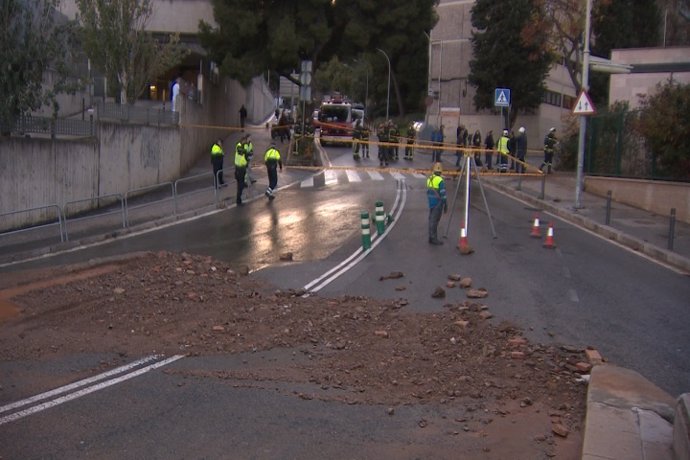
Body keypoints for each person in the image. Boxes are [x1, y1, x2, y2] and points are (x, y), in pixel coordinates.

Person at [427, 162, 447, 245]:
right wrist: (445, 204)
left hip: (431, 203)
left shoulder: (430, 179)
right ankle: (433, 238)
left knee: (431, 219)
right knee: (435, 221)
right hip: (438, 203)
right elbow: (443, 193)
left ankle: (431, 236)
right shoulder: (440, 180)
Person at [234, 136, 248, 206]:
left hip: (242, 168)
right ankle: (238, 200)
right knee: (240, 185)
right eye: (245, 141)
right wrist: (246, 152)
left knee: (240, 185)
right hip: (239, 169)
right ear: (243, 140)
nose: (246, 142)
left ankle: (239, 199)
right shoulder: (239, 146)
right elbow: (241, 151)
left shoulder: (243, 146)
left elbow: (244, 157)